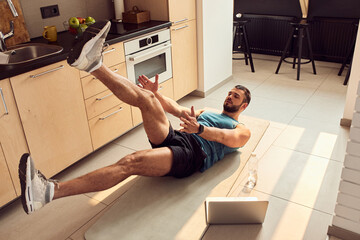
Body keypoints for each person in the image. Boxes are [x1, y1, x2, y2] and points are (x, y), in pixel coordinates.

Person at [18, 20, 251, 215]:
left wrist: (200, 131)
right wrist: (157, 94)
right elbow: (176, 109)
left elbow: (226, 138)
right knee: (147, 99)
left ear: (244, 105)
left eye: (236, 96)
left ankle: (47, 192)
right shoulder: (207, 112)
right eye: (230, 93)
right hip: (178, 138)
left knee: (131, 162)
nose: (230, 96)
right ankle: (91, 64)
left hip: (193, 154)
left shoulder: (241, 128)